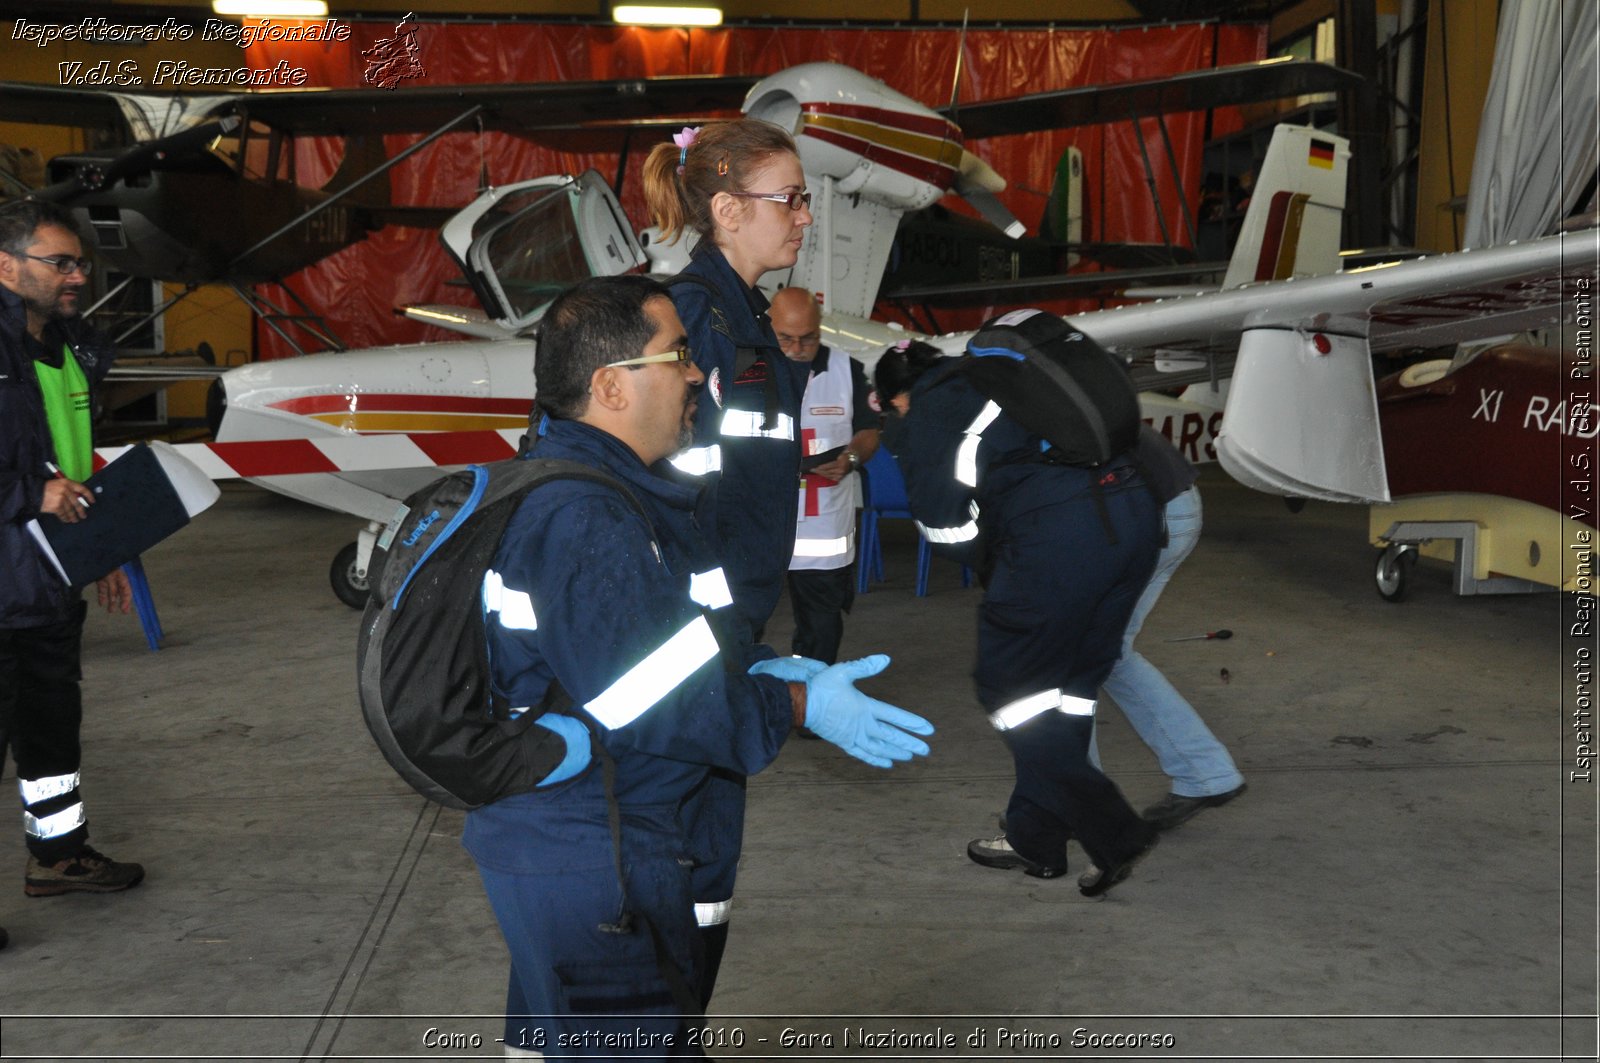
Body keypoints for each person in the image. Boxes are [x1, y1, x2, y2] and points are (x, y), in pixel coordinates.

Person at [465, 275, 932, 1054]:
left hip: (585, 831)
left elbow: (683, 643)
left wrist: (765, 671)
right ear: (611, 386)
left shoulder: (618, 490)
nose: (693, 374)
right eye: (675, 355)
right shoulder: (585, 518)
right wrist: (795, 707)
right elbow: (660, 699)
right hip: (593, 846)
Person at [874, 335, 1158, 897]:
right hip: (1132, 514)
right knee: (1068, 691)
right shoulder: (996, 381)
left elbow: (945, 529)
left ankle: (1113, 830)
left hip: (1062, 539)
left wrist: (1000, 565)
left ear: (894, 399)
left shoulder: (931, 411)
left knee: (1010, 692)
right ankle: (1038, 837)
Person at [641, 119, 812, 1003]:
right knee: (679, 845)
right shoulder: (693, 321)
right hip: (690, 629)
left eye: (803, 197)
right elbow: (658, 488)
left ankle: (679, 1034)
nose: (804, 217)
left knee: (710, 857)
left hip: (733, 621)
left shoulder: (746, 317)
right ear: (725, 207)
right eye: (789, 198)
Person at [0, 199, 143, 902]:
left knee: (52, 741)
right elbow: (38, 480)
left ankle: (58, 856)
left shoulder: (65, 348)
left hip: (47, 585)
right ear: (6, 264)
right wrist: (29, 494)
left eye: (79, 263)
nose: (77, 276)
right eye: (60, 262)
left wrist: (100, 547)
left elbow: (73, 463)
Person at [1094, 425, 1246, 829]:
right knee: (1106, 653)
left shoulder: (993, 400)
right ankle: (1205, 773)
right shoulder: (1027, 375)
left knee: (1067, 659)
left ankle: (1070, 803)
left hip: (1141, 511)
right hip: (1168, 500)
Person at [769, 286, 879, 665]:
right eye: (786, 339)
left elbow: (869, 430)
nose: (797, 349)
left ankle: (812, 702)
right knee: (743, 622)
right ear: (769, 328)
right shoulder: (751, 368)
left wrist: (850, 456)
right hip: (763, 522)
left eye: (808, 339)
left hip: (822, 532)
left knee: (821, 627)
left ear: (820, 329)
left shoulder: (846, 369)